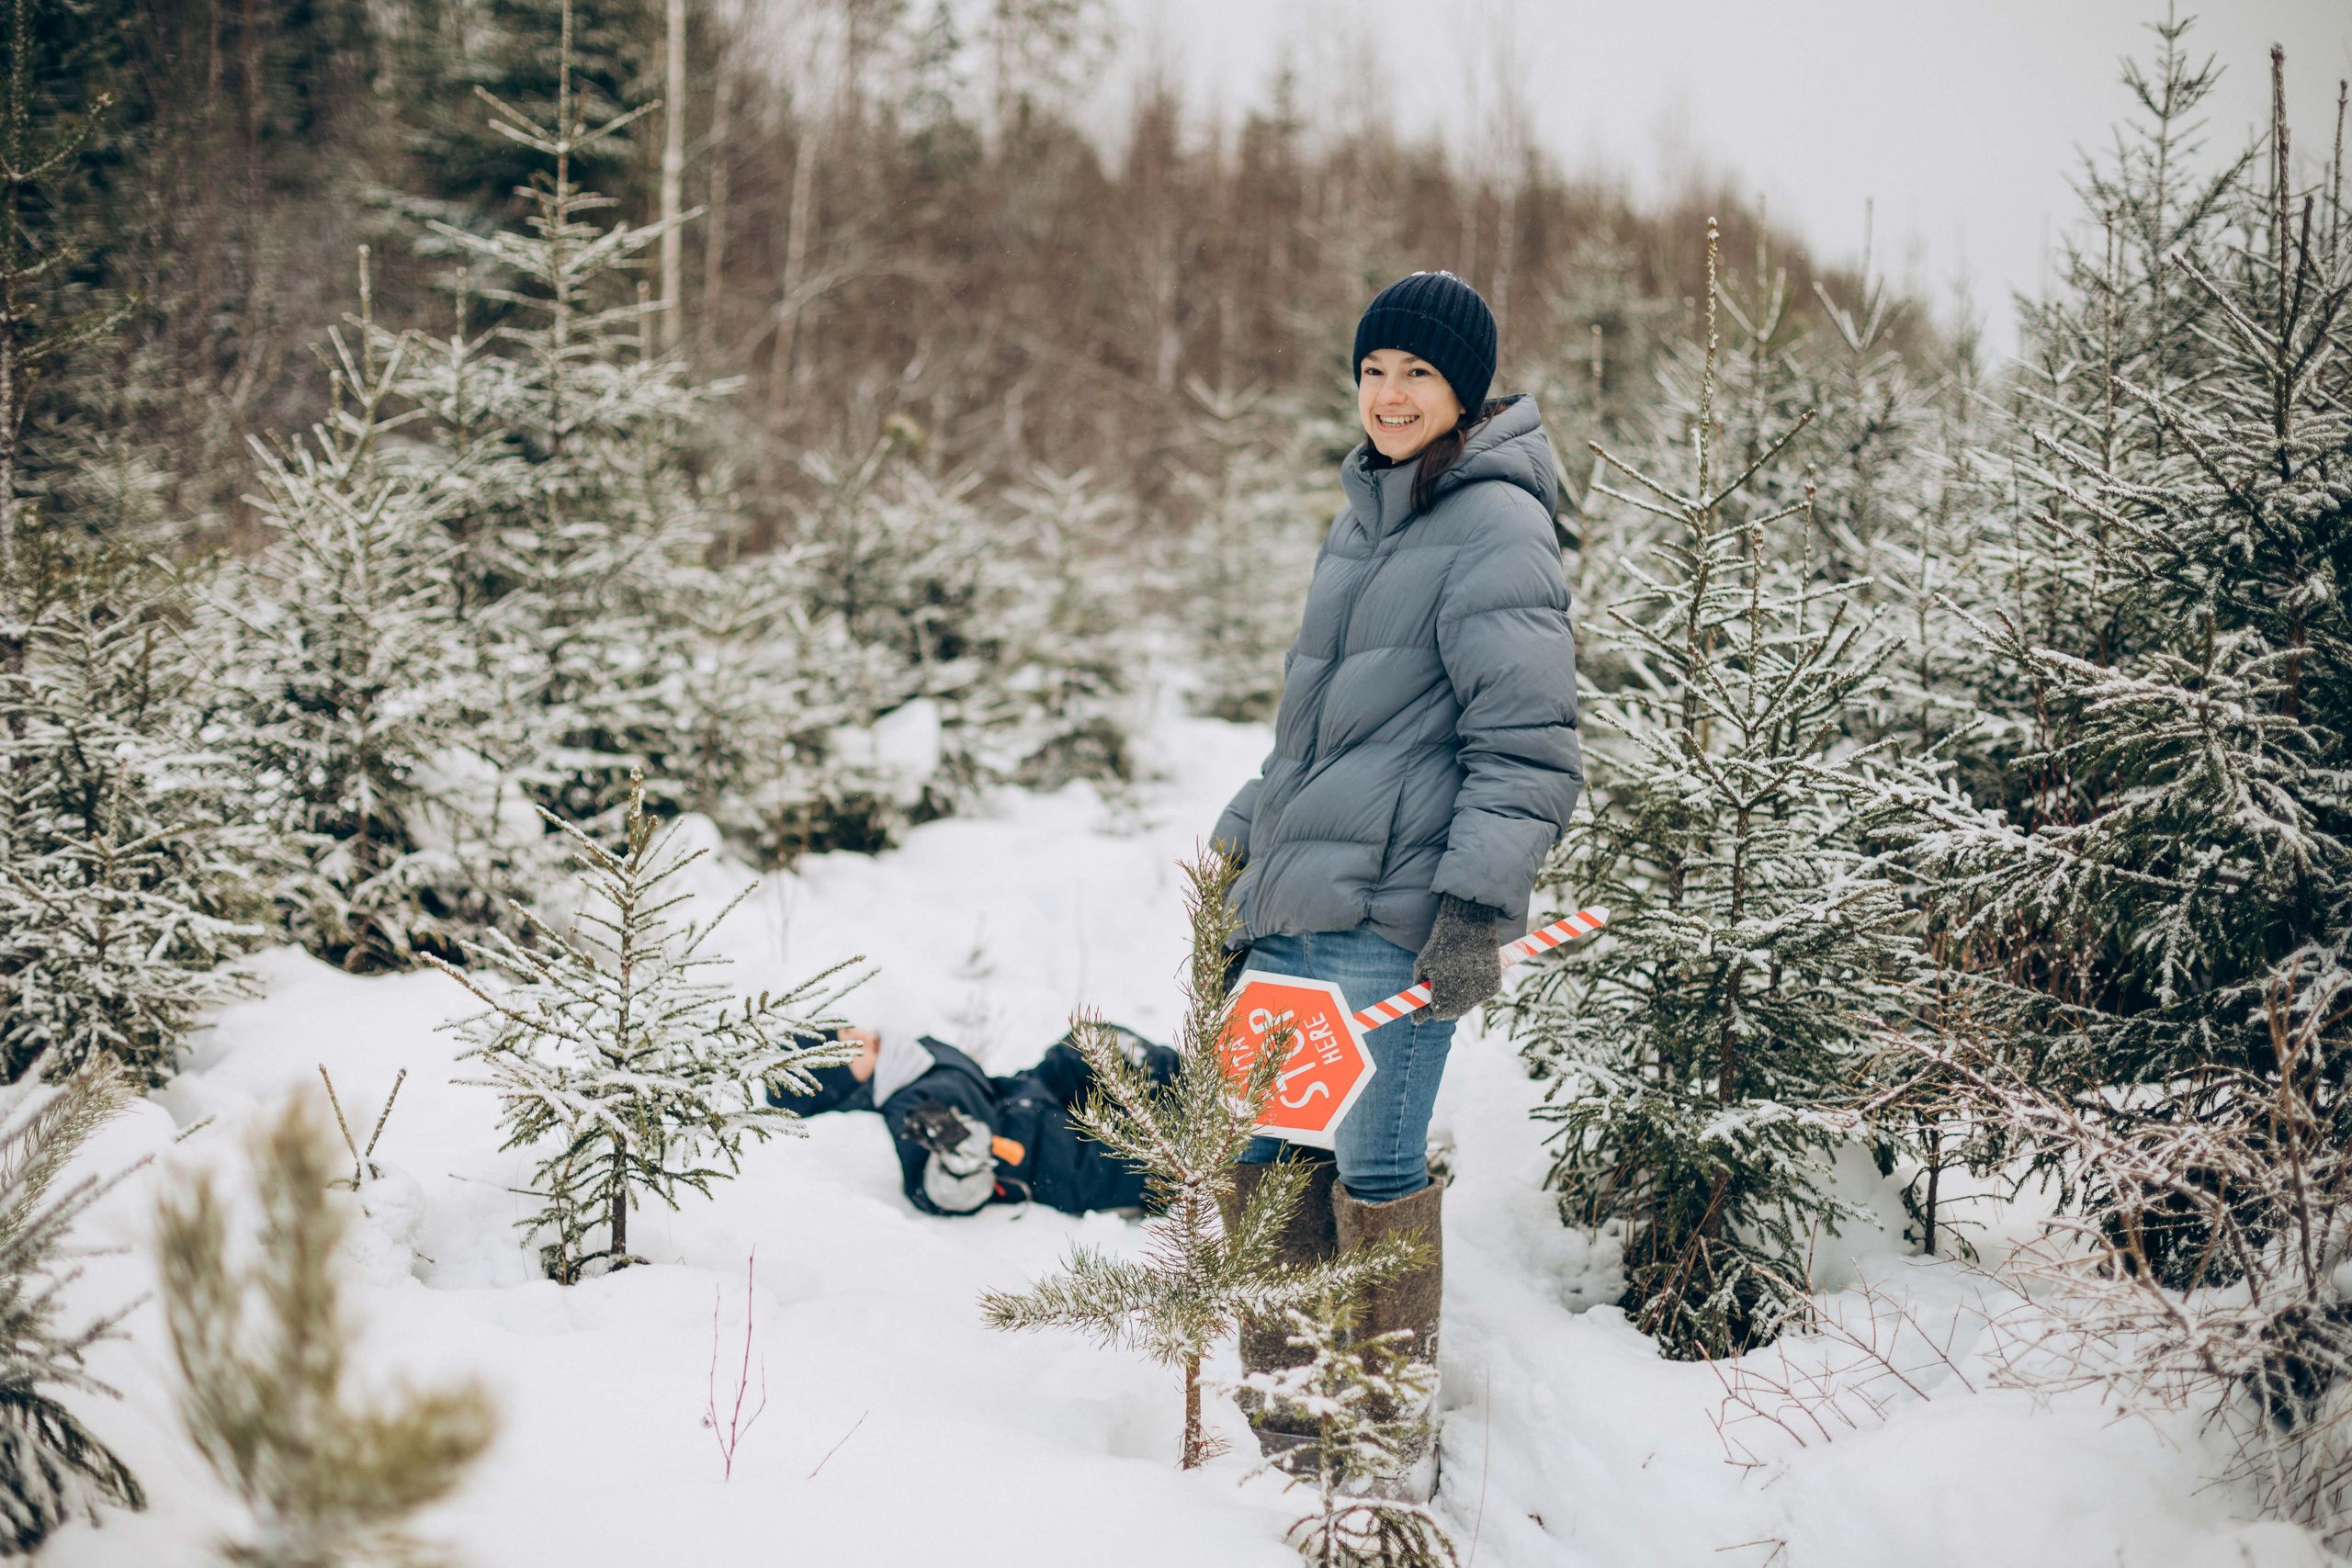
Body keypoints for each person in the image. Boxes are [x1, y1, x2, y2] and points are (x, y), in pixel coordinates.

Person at [1211, 270, 1583, 1491]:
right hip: (1301, 900)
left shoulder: (1494, 523)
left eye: (1416, 373)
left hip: (1397, 919)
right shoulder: (1367, 510)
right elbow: (1317, 724)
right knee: (1272, 1153)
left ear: (1463, 389)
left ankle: (1375, 1454)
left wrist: (1477, 904)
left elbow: (1525, 742)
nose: (1388, 393)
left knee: (1374, 1165)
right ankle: (1287, 1433)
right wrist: (1242, 838)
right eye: (1374, 369)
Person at [766, 1024, 1179, 1217]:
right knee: (1141, 1146)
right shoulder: (905, 1107)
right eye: (846, 1047)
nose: (855, 1033)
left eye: (843, 1029)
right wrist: (957, 1164)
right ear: (841, 1084)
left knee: (1081, 1045)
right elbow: (936, 1189)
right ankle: (1192, 1142)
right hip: (1048, 1157)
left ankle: (1198, 1077)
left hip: (1024, 1097)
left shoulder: (907, 1059)